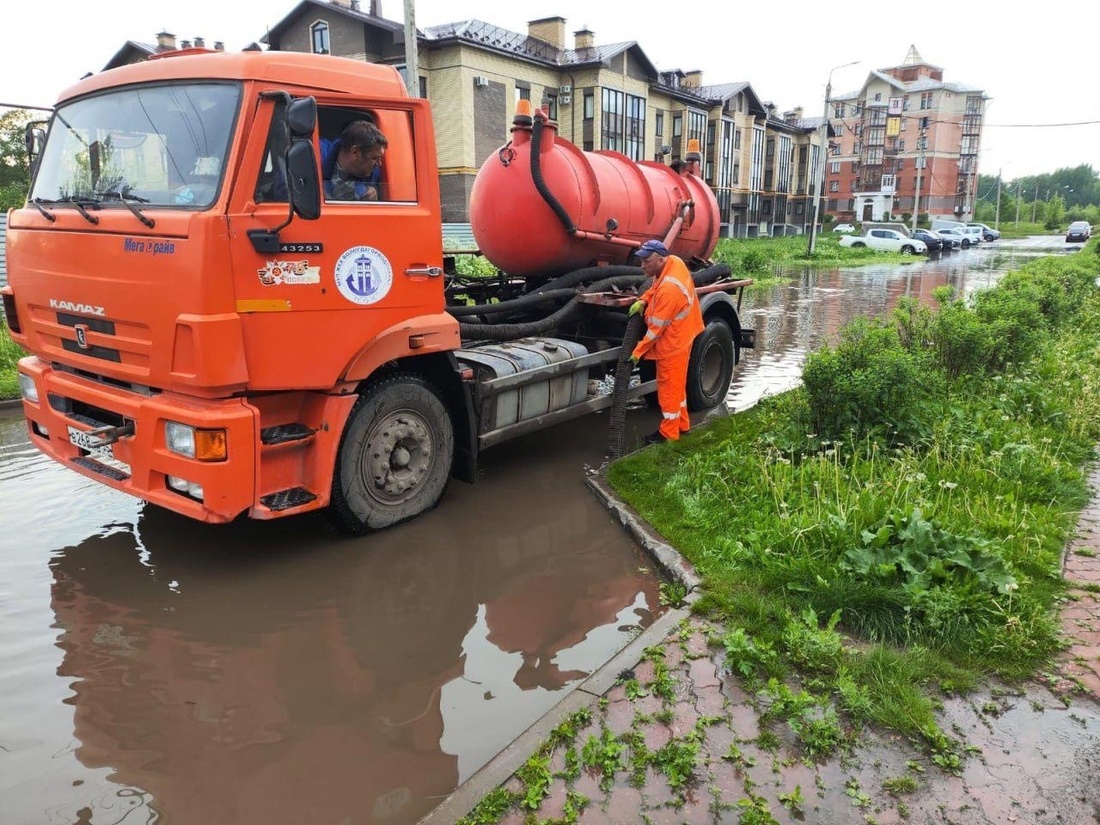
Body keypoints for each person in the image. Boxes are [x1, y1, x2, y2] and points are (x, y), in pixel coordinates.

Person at [628, 239, 705, 444]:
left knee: (668, 388)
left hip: (672, 343)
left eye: (647, 261)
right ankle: (682, 425)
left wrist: (637, 352)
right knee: (677, 386)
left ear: (661, 260)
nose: (642, 265)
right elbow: (656, 285)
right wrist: (643, 300)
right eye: (641, 260)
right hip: (681, 335)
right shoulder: (673, 264)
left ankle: (669, 433)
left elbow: (654, 332)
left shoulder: (669, 292)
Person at [321, 120, 387, 201]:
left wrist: (376, 193)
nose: (379, 163)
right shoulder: (317, 155)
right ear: (355, 152)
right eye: (374, 158)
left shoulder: (374, 172)